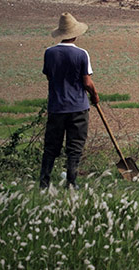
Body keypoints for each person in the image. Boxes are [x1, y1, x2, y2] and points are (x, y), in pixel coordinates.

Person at [40, 12, 99, 189]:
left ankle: (44, 182)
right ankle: (71, 182)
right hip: (78, 107)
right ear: (75, 34)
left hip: (56, 106)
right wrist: (95, 96)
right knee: (75, 147)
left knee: (51, 147)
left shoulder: (49, 53)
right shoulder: (82, 54)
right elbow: (87, 82)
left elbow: (49, 77)